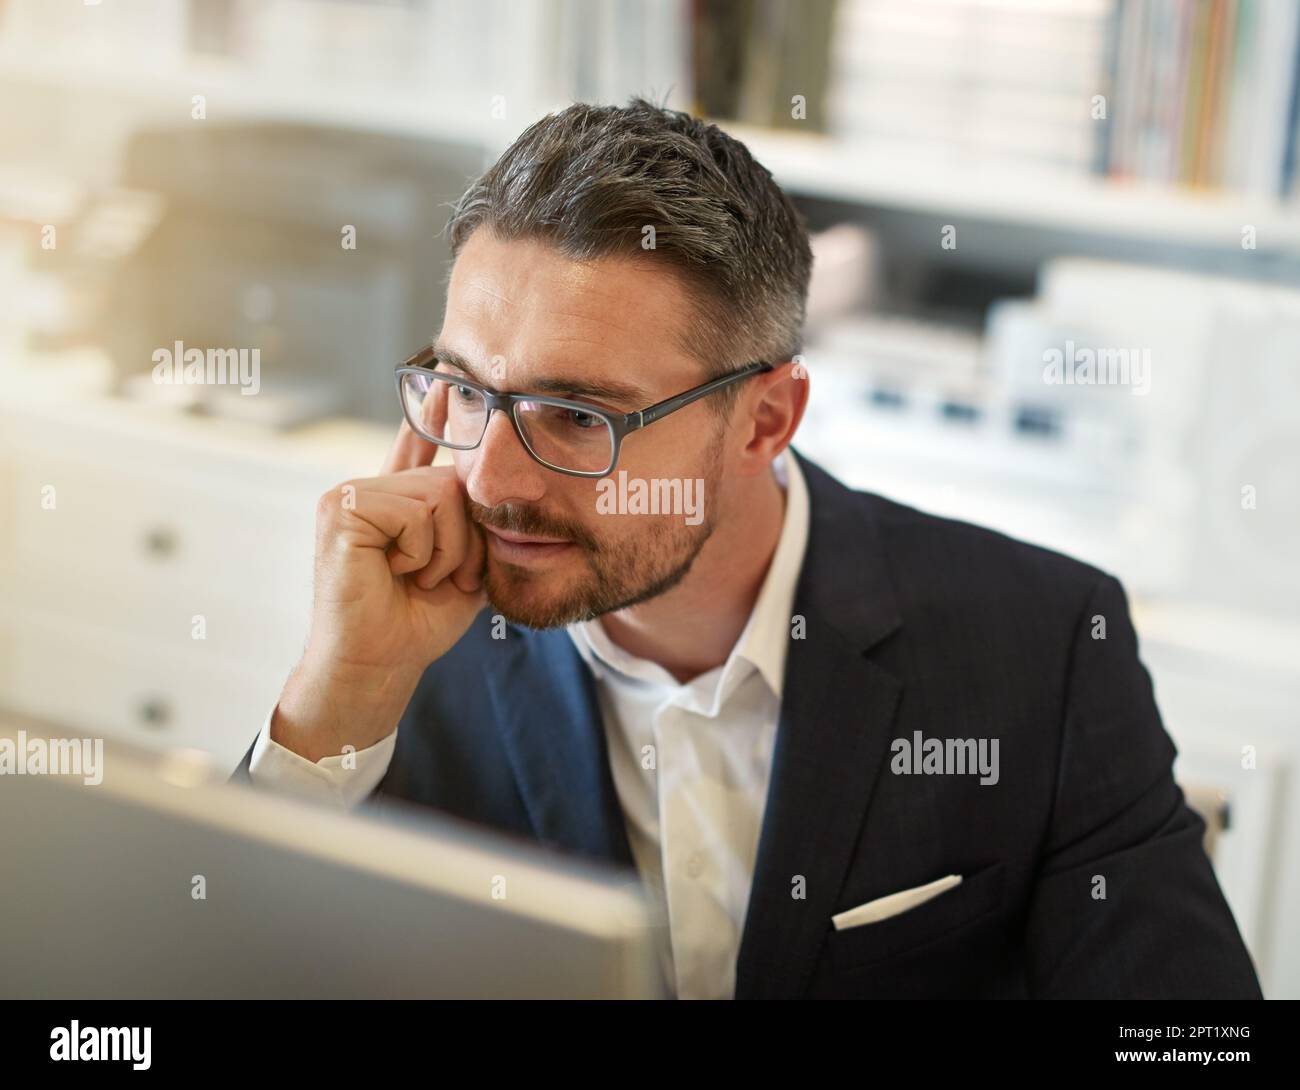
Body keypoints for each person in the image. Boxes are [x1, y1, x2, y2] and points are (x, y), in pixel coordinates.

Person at [230, 98, 1262, 1001]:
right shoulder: (408, 638)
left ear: (766, 421)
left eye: (579, 416)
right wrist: (334, 708)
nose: (492, 479)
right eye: (464, 387)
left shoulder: (1041, 647)